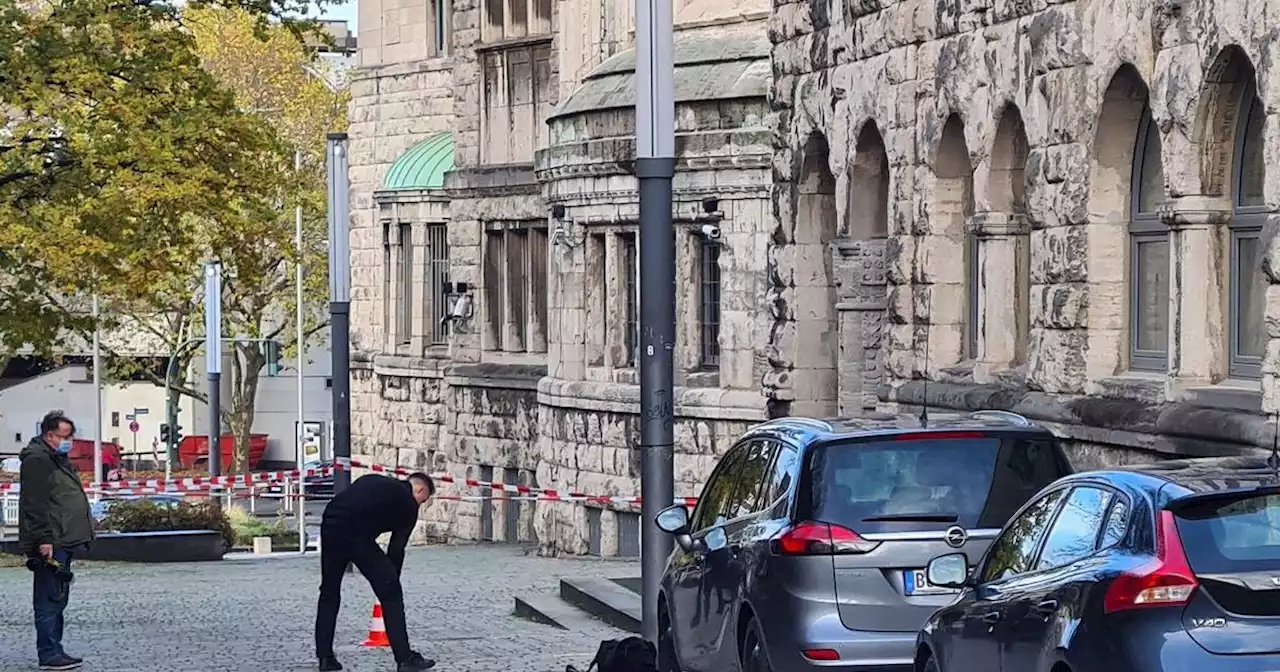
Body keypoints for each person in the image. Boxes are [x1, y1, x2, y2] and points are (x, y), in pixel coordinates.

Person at [315, 472, 436, 672]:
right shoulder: (408, 504)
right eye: (423, 501)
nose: (420, 505)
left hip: (331, 521)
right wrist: (389, 583)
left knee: (329, 592)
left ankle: (325, 657)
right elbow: (396, 550)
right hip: (358, 533)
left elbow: (353, 498)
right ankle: (405, 659)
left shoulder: (373, 479)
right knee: (392, 594)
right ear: (420, 490)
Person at [18, 410, 94, 671]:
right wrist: (44, 539)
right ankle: (49, 653)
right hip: (52, 540)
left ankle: (55, 649)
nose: (69, 441)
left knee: (57, 596)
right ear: (50, 434)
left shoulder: (55, 457)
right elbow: (34, 504)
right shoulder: (38, 460)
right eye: (65, 436)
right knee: (49, 598)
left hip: (63, 537)